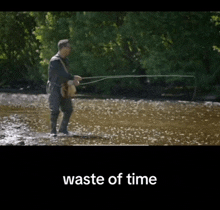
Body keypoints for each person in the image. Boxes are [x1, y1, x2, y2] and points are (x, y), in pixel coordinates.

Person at [47, 39, 82, 137]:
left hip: (64, 87)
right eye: (69, 47)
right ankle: (53, 132)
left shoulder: (66, 60)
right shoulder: (55, 60)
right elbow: (60, 74)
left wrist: (73, 82)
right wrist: (73, 77)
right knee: (55, 110)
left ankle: (63, 129)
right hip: (54, 88)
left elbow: (65, 75)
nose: (70, 49)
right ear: (63, 48)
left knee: (68, 110)